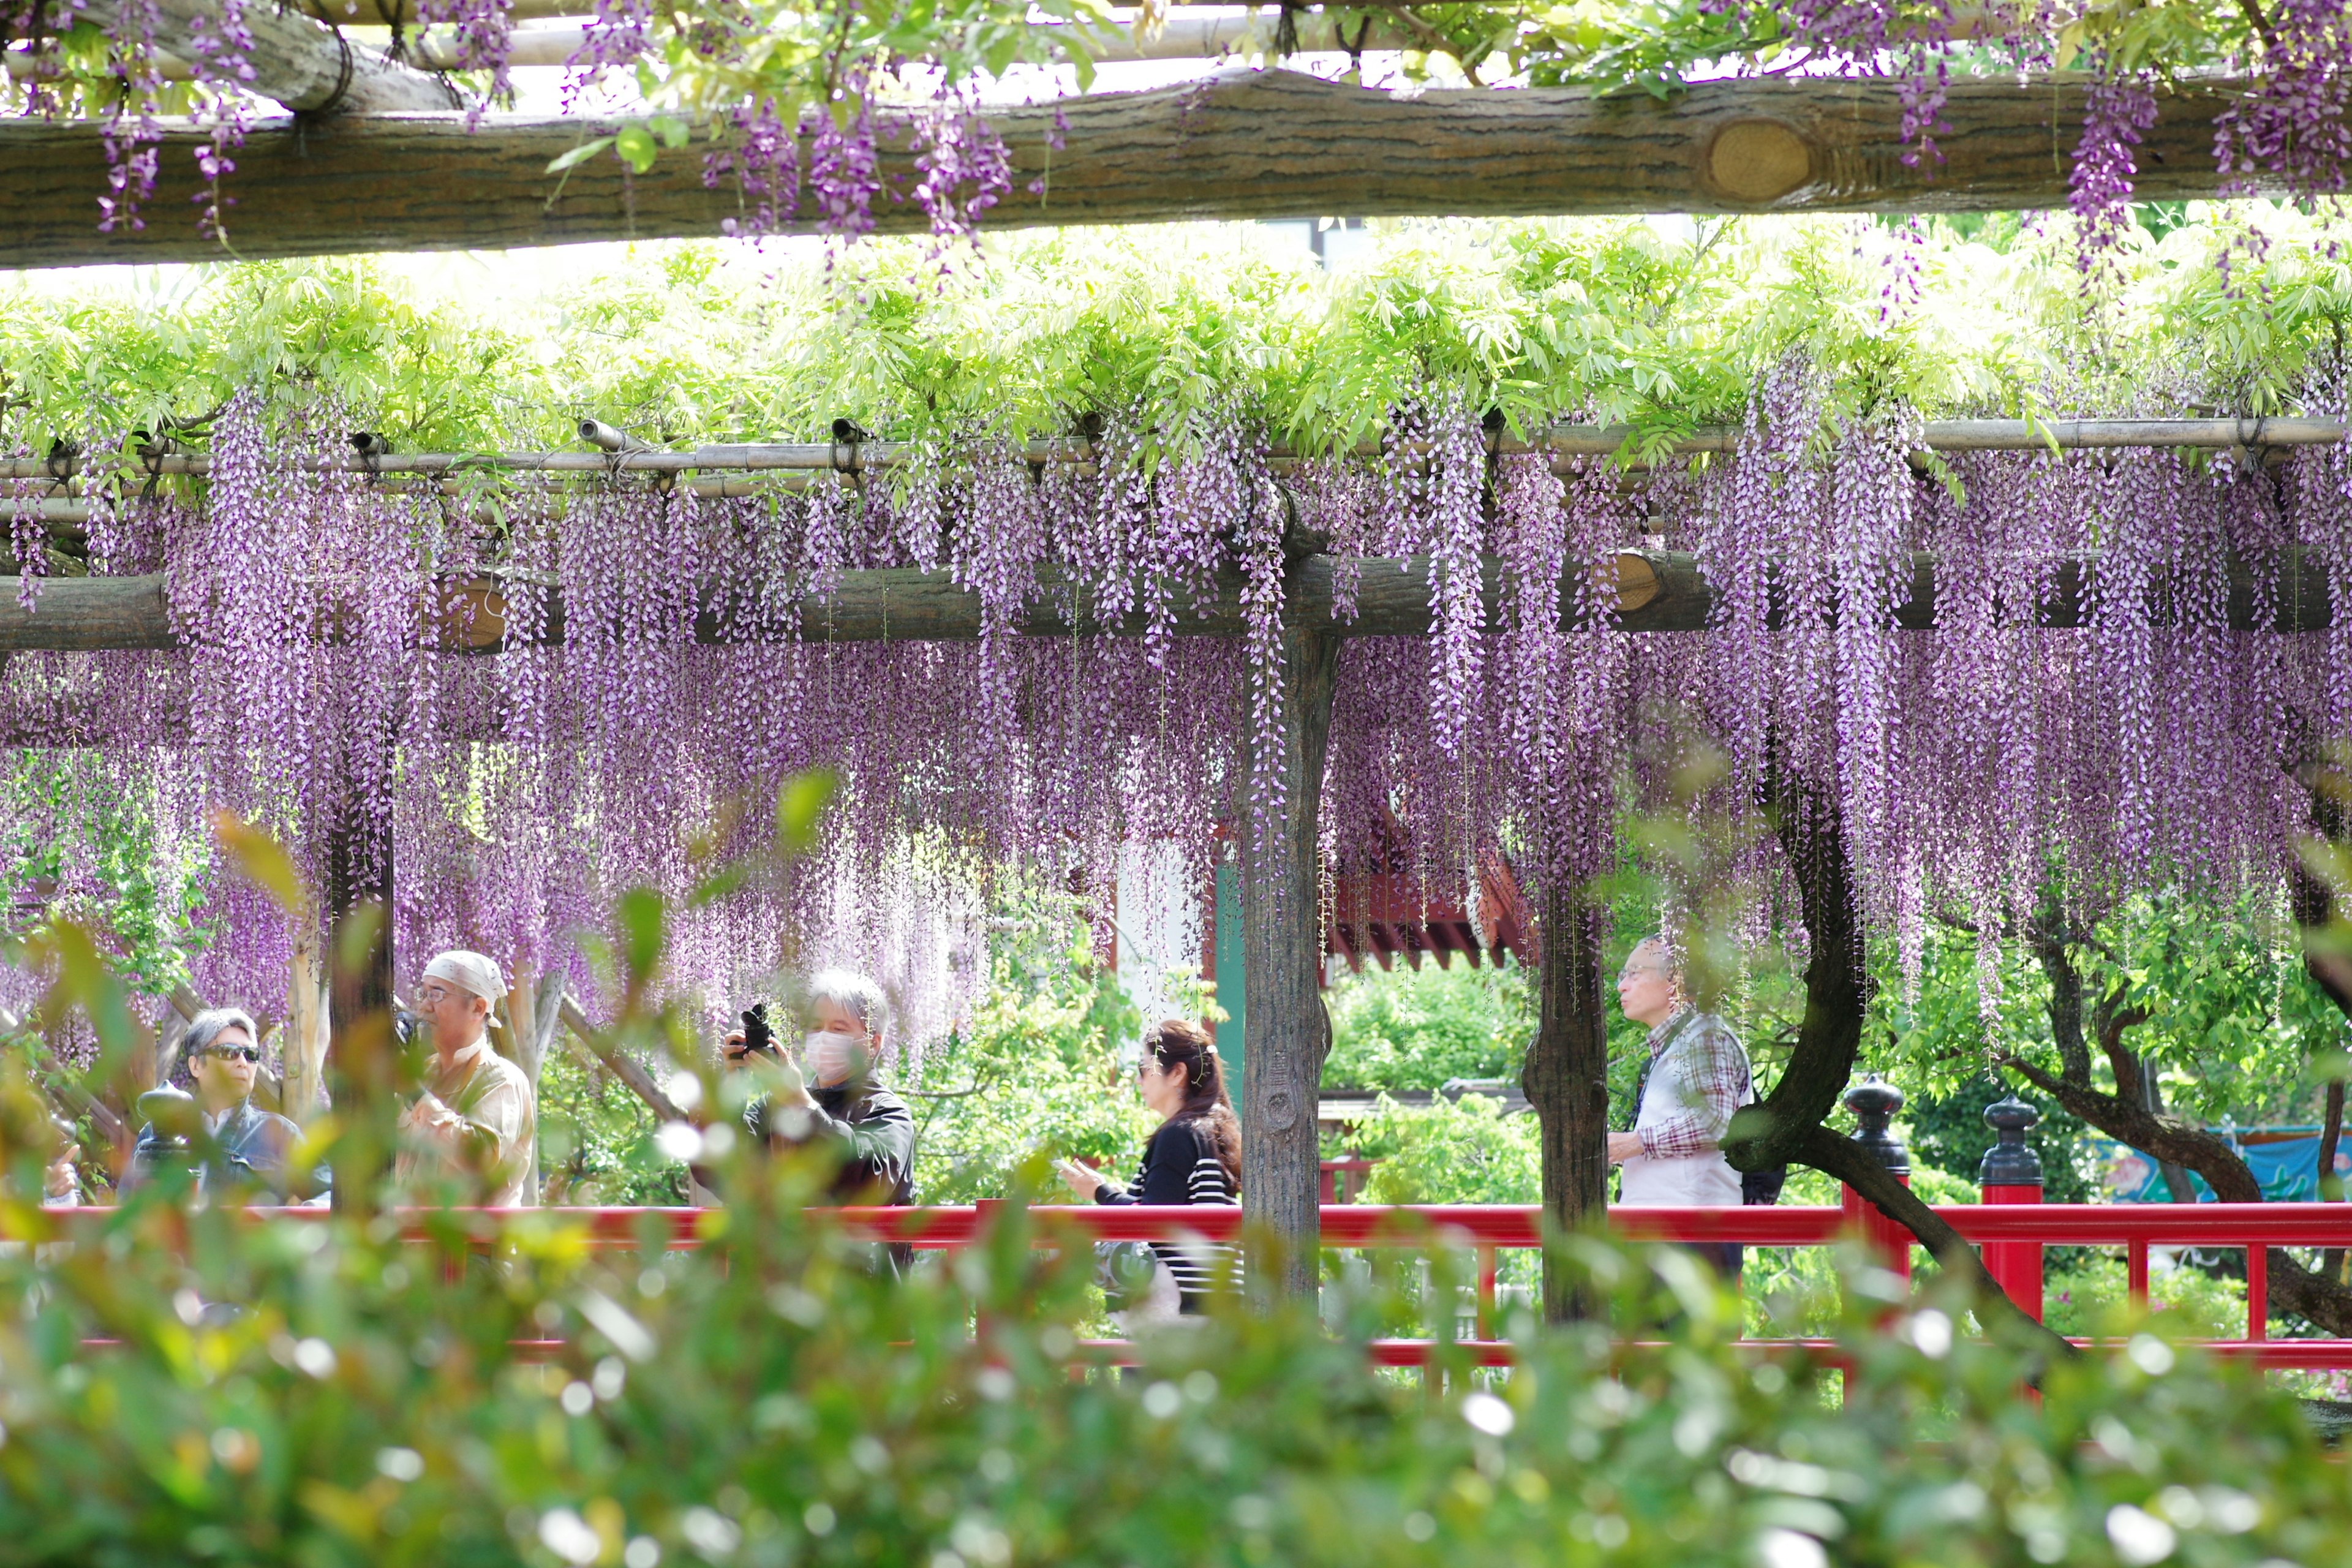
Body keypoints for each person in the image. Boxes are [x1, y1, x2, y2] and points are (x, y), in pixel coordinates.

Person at [1055, 1019, 1242, 1321]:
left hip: (1176, 1310)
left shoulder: (1178, 1135)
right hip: (1220, 1303)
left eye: (1144, 1069)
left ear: (1177, 1073)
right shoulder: (1217, 1131)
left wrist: (1100, 1192)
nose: (1139, 1081)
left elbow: (1154, 1221)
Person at [1608, 935, 1756, 1278]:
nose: (1622, 987)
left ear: (1674, 980)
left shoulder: (1706, 1038)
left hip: (1692, 1235)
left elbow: (1716, 1123)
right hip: (1663, 1234)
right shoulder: (1679, 1046)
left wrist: (1633, 1143)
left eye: (1634, 973)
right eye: (1622, 975)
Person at [728, 968, 918, 1206]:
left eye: (838, 1029)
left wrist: (801, 1104)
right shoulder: (774, 1105)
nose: (823, 1037)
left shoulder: (887, 1111)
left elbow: (868, 1180)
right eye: (816, 1027)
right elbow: (722, 1172)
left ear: (872, 1042)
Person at [123, 1007, 325, 1201]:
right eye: (229, 1052)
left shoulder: (278, 1133)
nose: (243, 1063)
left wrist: (298, 1221)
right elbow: (127, 1206)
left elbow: (330, 1195)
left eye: (251, 1054)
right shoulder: (158, 1131)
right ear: (195, 1065)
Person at [396, 951, 537, 1207]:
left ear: (478, 1007)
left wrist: (416, 1095)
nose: (425, 1006)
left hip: (474, 1244)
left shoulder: (503, 1078)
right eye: (424, 994)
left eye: (437, 995)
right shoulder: (423, 1074)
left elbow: (480, 1159)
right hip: (412, 1243)